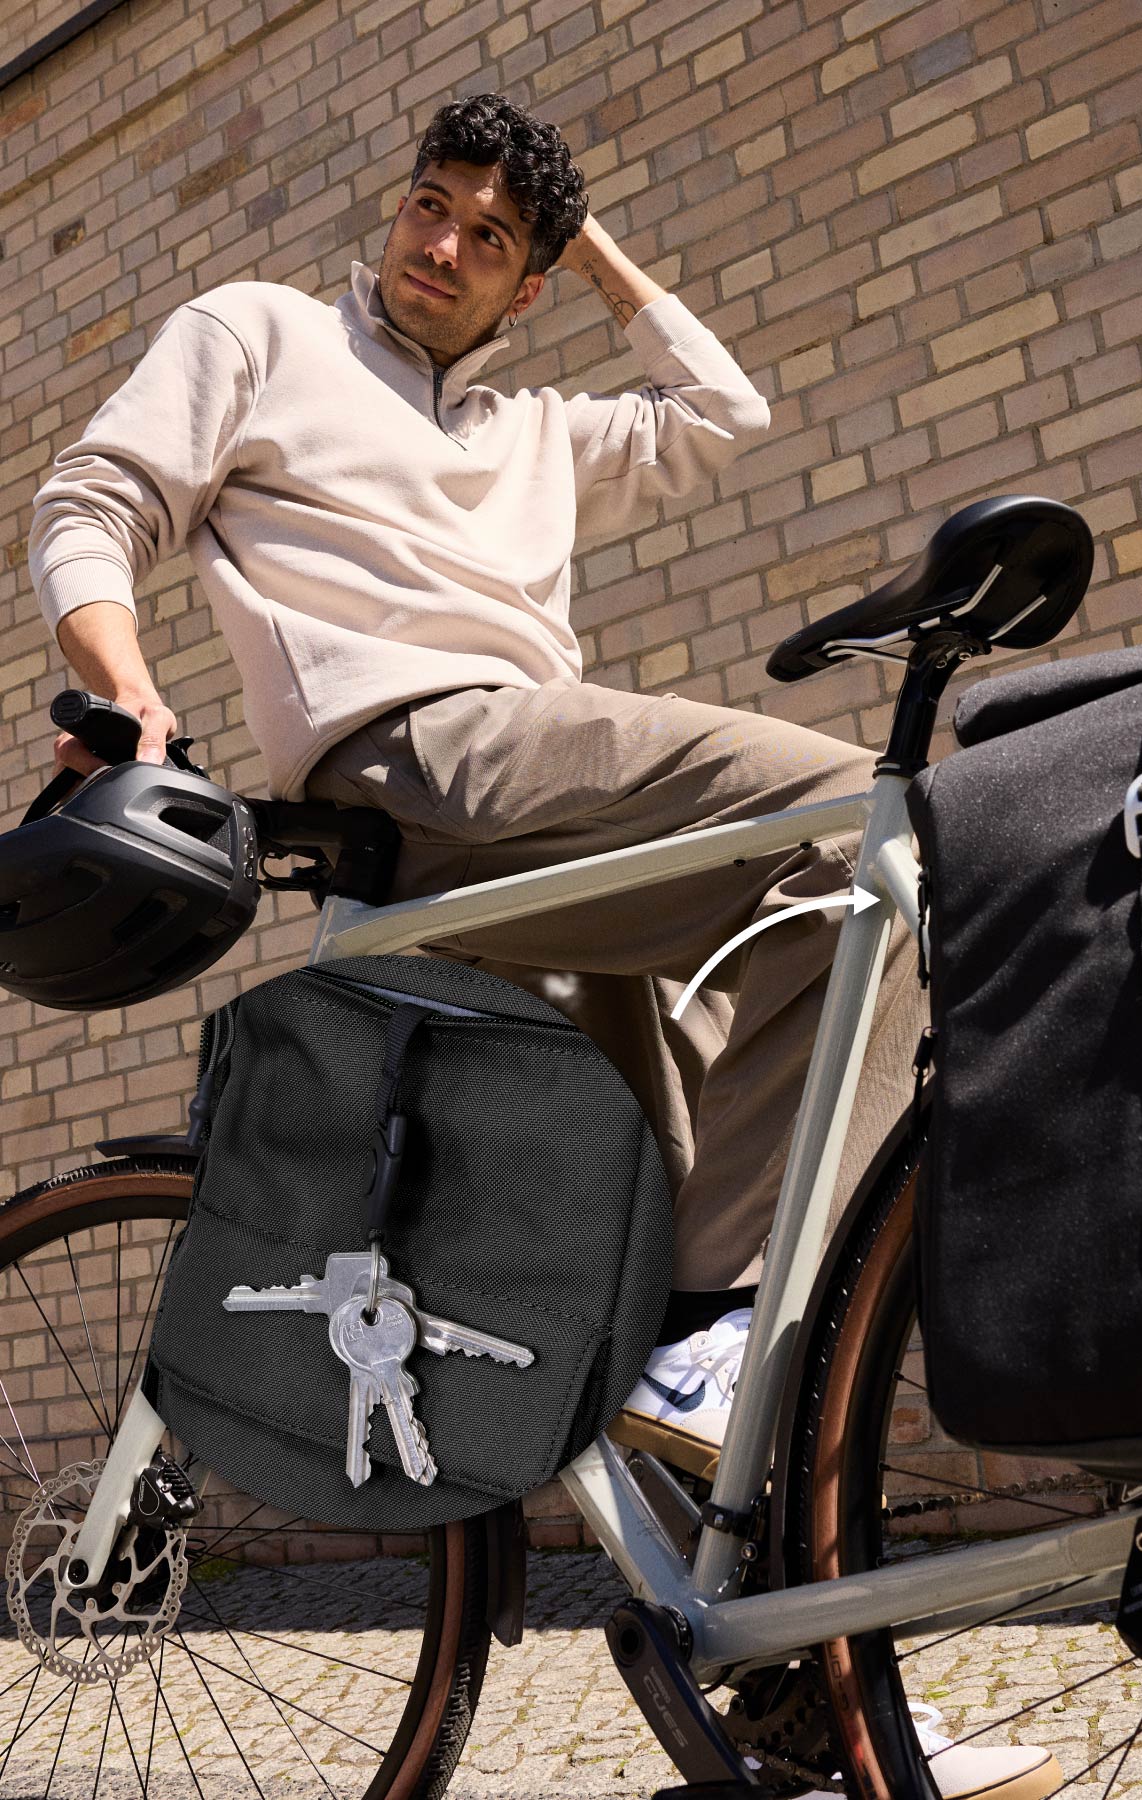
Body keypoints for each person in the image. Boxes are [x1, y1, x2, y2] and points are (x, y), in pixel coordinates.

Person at [32, 93, 1061, 1800]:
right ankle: (717, 1330)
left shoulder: (532, 427)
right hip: (418, 756)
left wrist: (593, 250)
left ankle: (787, 1674)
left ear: (529, 284)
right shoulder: (263, 333)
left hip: (544, 836)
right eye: (429, 204)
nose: (440, 244)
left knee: (654, 1196)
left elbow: (725, 412)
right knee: (849, 823)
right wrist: (129, 694)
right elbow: (95, 497)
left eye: (491, 234)